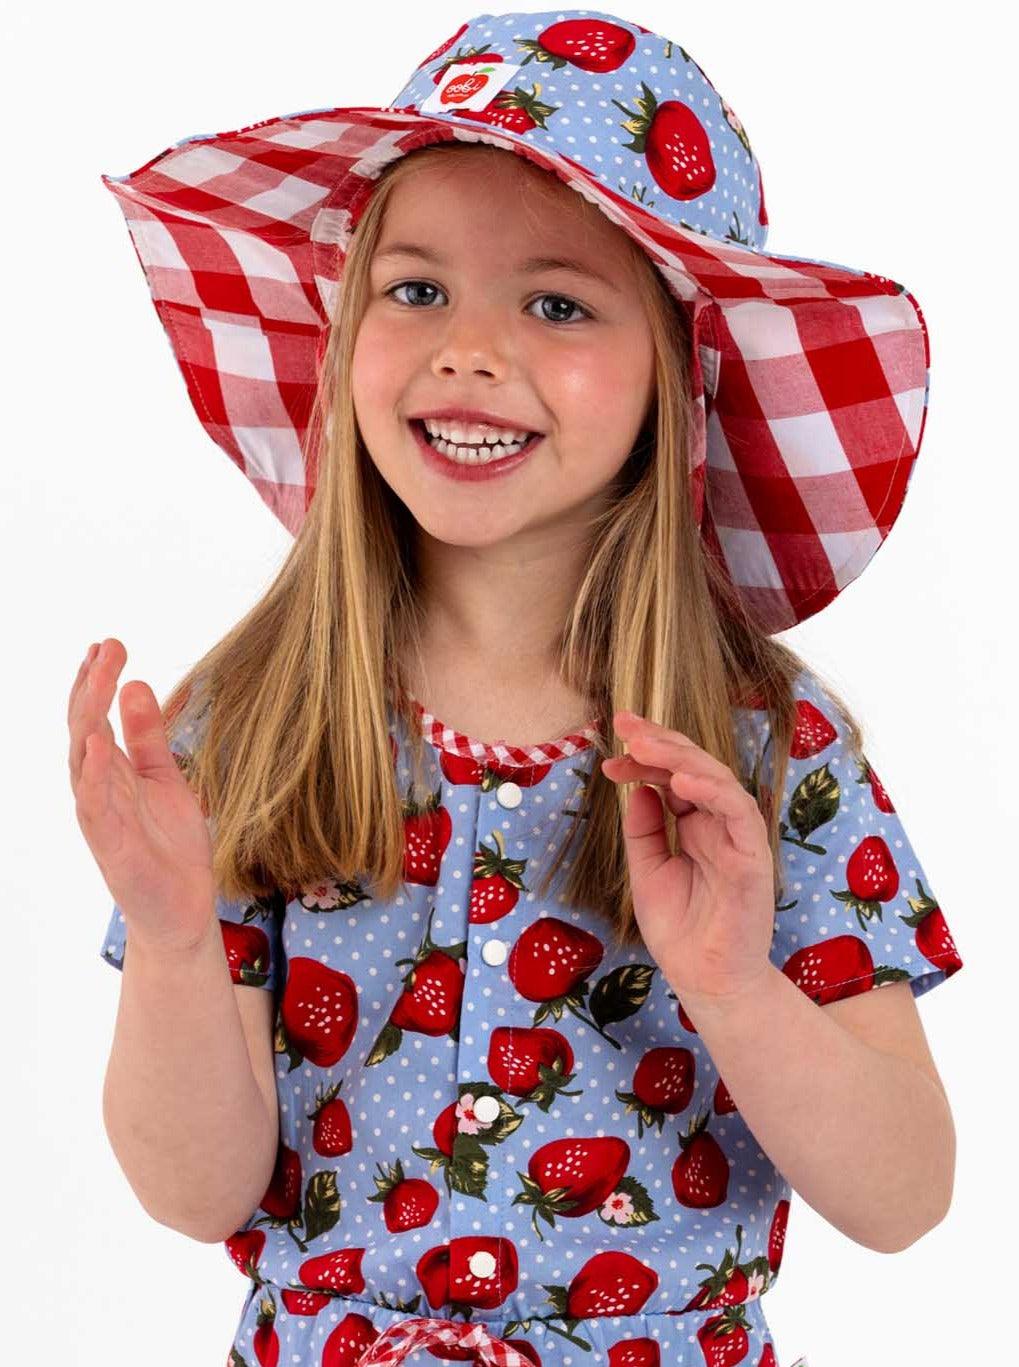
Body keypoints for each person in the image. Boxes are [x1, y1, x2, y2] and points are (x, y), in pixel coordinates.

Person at [71, 10, 965, 1366]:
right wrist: (179, 944)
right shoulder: (250, 723)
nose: (468, 349)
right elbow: (192, 1193)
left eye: (556, 303)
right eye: (417, 289)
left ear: (674, 372)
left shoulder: (771, 753)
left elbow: (905, 1197)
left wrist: (733, 985)